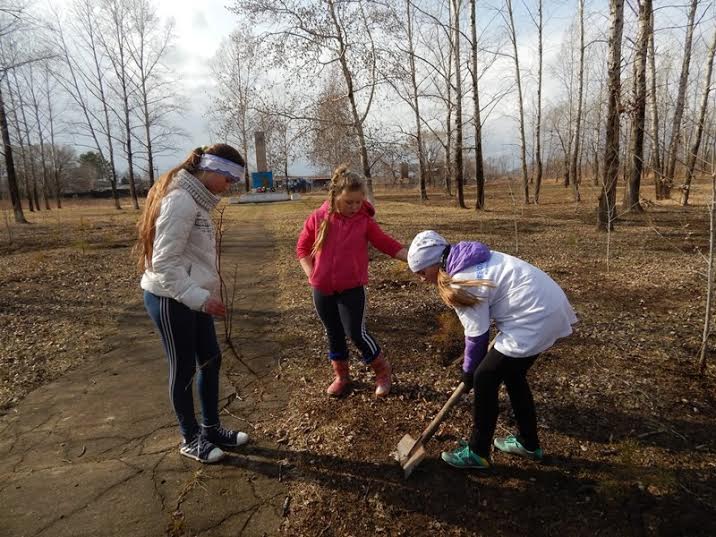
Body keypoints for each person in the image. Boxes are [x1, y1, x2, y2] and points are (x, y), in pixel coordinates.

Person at [407, 230, 577, 469]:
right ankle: (529, 443)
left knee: (484, 378)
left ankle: (477, 453)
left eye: (422, 272)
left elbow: (476, 334)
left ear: (435, 264)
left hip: (534, 318)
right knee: (513, 374)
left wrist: (469, 373)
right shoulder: (467, 259)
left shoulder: (461, 281)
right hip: (548, 308)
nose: (422, 279)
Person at [136, 144, 249, 464]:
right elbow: (164, 263)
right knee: (184, 369)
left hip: (193, 298)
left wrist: (203, 295)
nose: (230, 188)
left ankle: (211, 428)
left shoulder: (196, 199)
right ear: (213, 170)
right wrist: (200, 297)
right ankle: (190, 437)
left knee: (210, 360)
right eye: (229, 180)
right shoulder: (181, 200)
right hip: (171, 298)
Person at [296, 165, 408, 397]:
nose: (354, 207)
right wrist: (311, 272)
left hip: (352, 289)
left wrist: (412, 259)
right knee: (333, 333)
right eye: (349, 202)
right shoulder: (318, 218)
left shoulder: (363, 221)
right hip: (322, 290)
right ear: (336, 196)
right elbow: (303, 248)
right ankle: (342, 376)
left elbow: (386, 243)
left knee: (355, 332)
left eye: (358, 202)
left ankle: (382, 371)